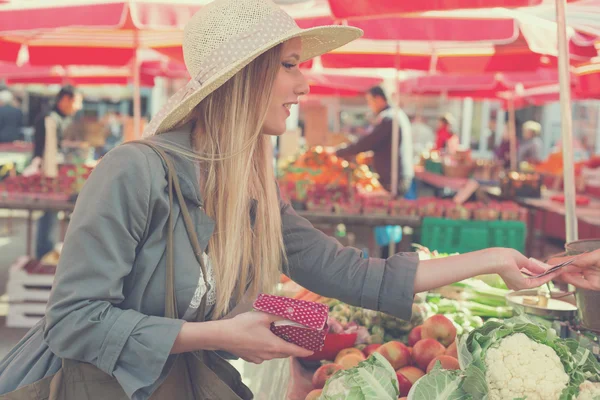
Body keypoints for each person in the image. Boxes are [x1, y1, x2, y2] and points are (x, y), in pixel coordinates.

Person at [0, 1, 566, 399]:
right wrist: (221, 334)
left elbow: (354, 273)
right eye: (290, 66)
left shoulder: (251, 185)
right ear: (242, 79)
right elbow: (73, 321)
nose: (305, 86)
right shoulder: (133, 171)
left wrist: (493, 259)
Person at [29, 86, 80, 259]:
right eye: (76, 102)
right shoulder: (50, 118)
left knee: (49, 215)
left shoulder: (55, 117)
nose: (77, 107)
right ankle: (44, 253)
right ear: (65, 99)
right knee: (48, 214)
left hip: (51, 174)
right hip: (49, 175)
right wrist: (53, 179)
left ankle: (45, 252)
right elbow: (49, 151)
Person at [336, 86, 413, 194]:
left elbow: (368, 142)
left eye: (369, 101)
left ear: (379, 99)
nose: (369, 105)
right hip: (399, 173)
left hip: (394, 177)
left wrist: (340, 152)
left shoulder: (388, 118)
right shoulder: (396, 114)